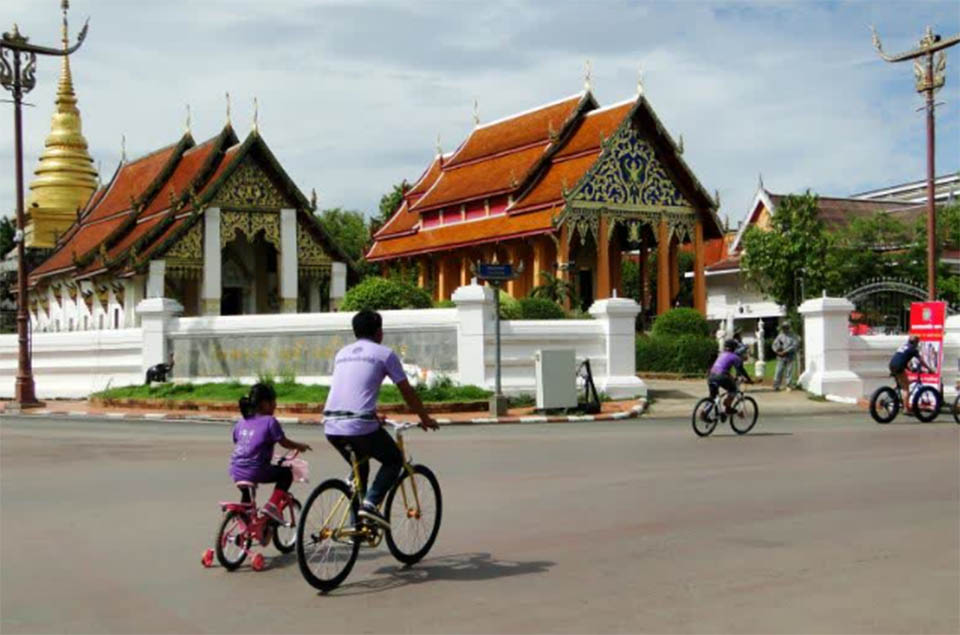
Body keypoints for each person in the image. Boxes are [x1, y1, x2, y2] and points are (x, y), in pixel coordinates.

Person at [324, 310, 438, 529]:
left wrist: (373, 415)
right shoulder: (384, 354)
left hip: (331, 425)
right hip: (360, 425)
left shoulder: (342, 354)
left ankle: (357, 526)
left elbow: (351, 389)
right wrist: (424, 418)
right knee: (394, 460)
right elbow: (407, 391)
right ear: (379, 332)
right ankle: (370, 505)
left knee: (361, 466)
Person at [229, 383, 312, 522]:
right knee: (286, 474)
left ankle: (246, 518)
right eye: (273, 401)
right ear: (264, 403)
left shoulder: (241, 422)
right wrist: (300, 446)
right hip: (257, 469)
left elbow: (238, 441)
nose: (275, 405)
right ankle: (272, 506)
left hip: (236, 469)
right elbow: (284, 443)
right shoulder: (270, 421)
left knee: (246, 492)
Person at [708, 339, 754, 415]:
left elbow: (723, 368)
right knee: (733, 389)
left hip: (711, 375)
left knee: (713, 398)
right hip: (721, 376)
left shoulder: (722, 355)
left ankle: (704, 413)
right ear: (734, 348)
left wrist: (732, 377)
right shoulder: (735, 357)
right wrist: (749, 380)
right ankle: (728, 407)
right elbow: (741, 370)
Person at [889, 335, 933, 412]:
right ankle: (906, 408)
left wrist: (909, 369)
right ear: (915, 342)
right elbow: (921, 361)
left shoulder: (903, 346)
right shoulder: (913, 349)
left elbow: (902, 358)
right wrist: (929, 369)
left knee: (901, 382)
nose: (918, 344)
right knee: (906, 388)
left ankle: (891, 394)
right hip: (899, 366)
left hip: (892, 364)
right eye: (917, 342)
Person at [772, 323, 800, 391]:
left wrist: (786, 351)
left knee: (789, 371)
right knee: (778, 371)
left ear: (788, 327)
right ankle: (776, 385)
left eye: (786, 327)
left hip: (790, 356)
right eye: (783, 328)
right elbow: (774, 344)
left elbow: (794, 345)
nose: (784, 329)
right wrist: (776, 351)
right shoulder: (780, 336)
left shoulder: (793, 336)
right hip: (781, 356)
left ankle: (788, 385)